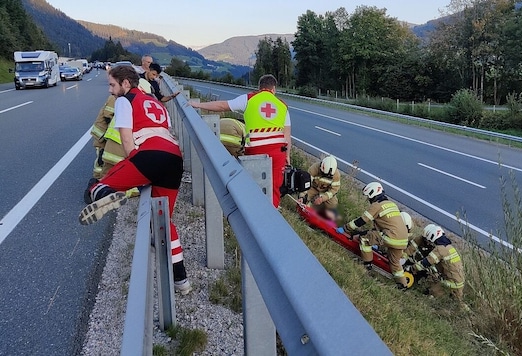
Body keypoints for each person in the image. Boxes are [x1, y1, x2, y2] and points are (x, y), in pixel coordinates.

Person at [79, 65, 191, 295]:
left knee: (98, 184)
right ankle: (181, 279)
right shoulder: (157, 103)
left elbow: (128, 143)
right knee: (163, 220)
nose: (111, 90)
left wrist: (139, 170)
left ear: (126, 83)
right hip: (175, 158)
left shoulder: (124, 101)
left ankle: (107, 195)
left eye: (112, 84)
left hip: (149, 156)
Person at [188, 74, 291, 208]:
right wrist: (287, 156)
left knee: (253, 184)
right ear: (274, 89)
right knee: (274, 187)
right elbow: (287, 136)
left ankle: (252, 213)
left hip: (255, 148)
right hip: (278, 151)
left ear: (259, 88)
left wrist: (197, 104)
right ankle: (272, 217)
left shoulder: (249, 98)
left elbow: (222, 106)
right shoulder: (282, 105)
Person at [337, 182, 410, 289]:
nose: (368, 200)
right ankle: (403, 285)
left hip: (391, 236)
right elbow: (384, 225)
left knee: (365, 239)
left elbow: (362, 220)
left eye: (368, 197)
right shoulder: (391, 204)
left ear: (372, 194)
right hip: (403, 240)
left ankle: (367, 265)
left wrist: (345, 228)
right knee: (395, 262)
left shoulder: (377, 205)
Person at [408, 224, 466, 304]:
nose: (428, 244)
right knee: (458, 302)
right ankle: (466, 311)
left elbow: (426, 263)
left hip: (450, 283)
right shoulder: (449, 247)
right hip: (459, 282)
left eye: (428, 242)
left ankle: (439, 298)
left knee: (432, 293)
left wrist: (411, 268)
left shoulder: (440, 249)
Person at [299, 155, 341, 221]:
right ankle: (304, 213)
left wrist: (322, 198)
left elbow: (334, 190)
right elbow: (306, 184)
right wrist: (301, 196)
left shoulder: (336, 175)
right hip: (313, 188)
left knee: (333, 204)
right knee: (305, 199)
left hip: (326, 191)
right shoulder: (314, 168)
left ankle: (325, 217)